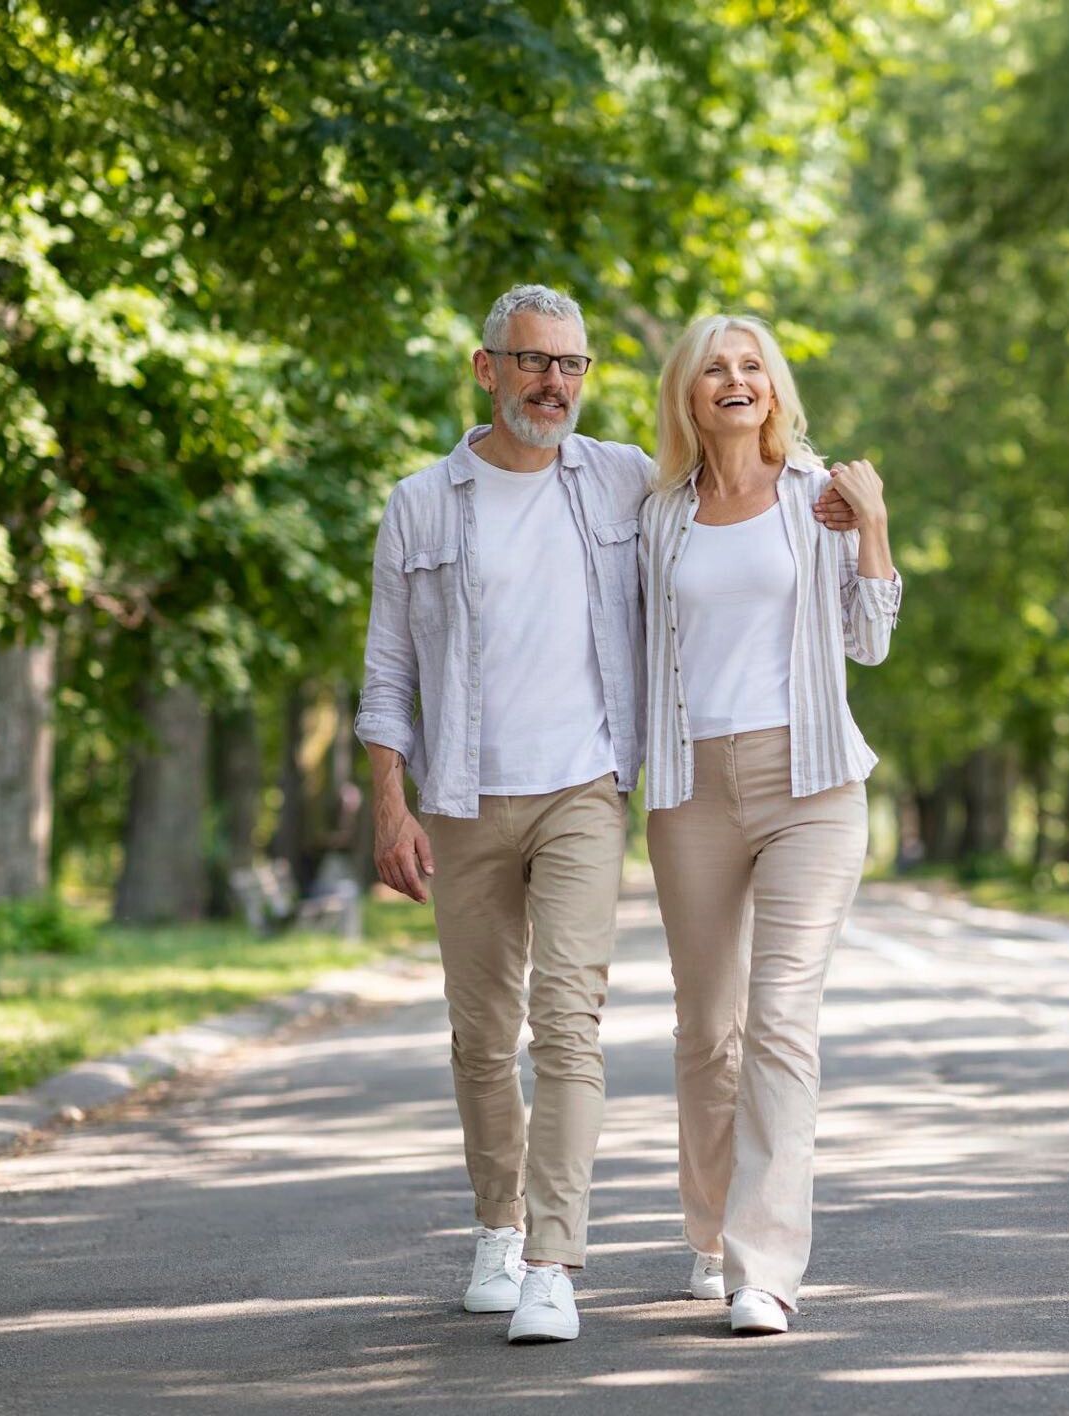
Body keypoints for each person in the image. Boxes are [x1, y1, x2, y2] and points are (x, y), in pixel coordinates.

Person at [354, 284, 649, 1344]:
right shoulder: (421, 503)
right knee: (482, 1034)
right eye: (532, 362)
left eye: (570, 364)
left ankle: (555, 1262)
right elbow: (388, 673)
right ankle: (497, 1229)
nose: (553, 383)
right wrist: (392, 808)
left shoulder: (622, 481)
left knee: (567, 1022)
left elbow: (731, 488)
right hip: (464, 798)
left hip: (583, 789)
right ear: (487, 370)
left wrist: (829, 489)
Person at [639, 313, 900, 1336]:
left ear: (774, 389)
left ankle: (766, 1268)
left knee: (782, 1020)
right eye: (716, 370)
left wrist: (874, 524)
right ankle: (710, 1235)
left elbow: (870, 644)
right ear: (689, 397)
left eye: (752, 367)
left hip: (814, 783)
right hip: (693, 786)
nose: (736, 380)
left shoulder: (819, 496)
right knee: (710, 1032)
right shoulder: (658, 514)